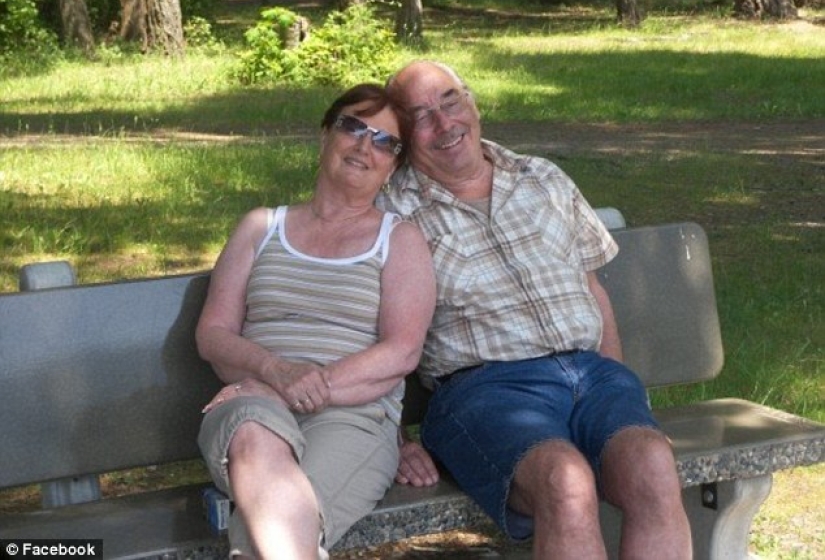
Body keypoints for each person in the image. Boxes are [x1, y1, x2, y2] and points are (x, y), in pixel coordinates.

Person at [383, 61, 692, 559]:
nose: (444, 123)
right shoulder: (391, 213)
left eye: (450, 101)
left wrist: (617, 387)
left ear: (472, 102)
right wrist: (392, 439)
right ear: (402, 134)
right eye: (421, 116)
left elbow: (592, 289)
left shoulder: (542, 176)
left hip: (592, 376)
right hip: (484, 391)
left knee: (652, 464)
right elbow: (367, 332)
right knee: (565, 481)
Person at [197, 83, 436, 560]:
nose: (365, 146)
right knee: (255, 438)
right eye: (353, 127)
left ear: (392, 166)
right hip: (253, 406)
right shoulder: (260, 227)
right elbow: (213, 334)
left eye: (384, 141)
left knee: (269, 529)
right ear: (325, 134)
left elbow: (402, 351)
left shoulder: (400, 240)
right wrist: (274, 371)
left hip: (354, 418)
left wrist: (300, 385)